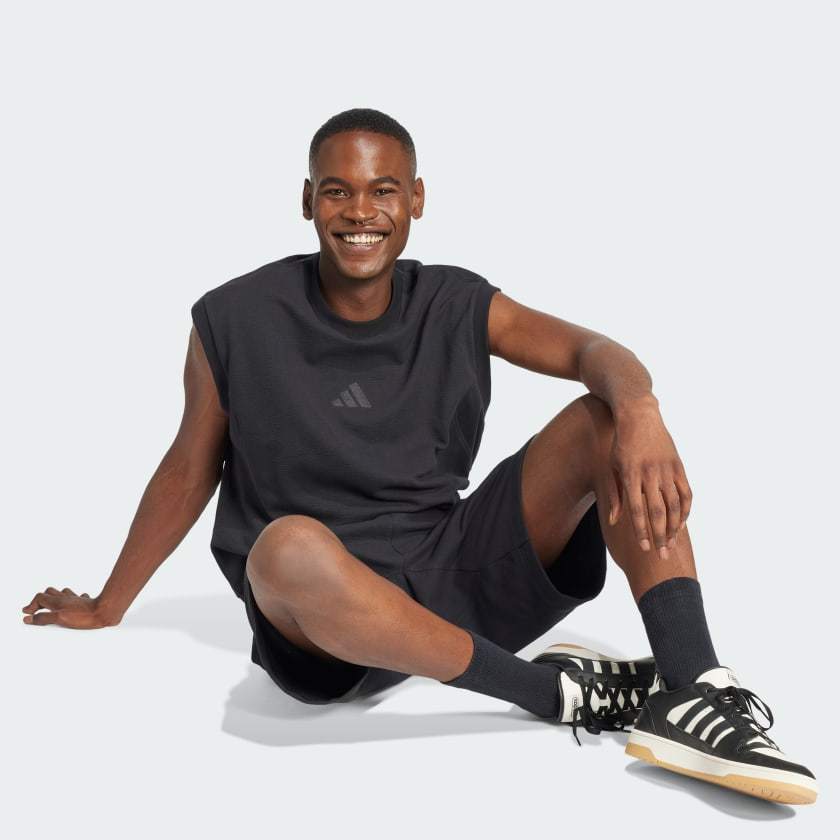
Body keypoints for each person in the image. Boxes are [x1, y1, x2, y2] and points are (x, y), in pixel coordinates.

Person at [22, 108, 816, 806]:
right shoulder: (233, 317)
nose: (360, 211)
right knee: (285, 547)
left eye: (383, 190)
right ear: (307, 201)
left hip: (449, 569)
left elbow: (590, 350)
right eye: (337, 191)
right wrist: (109, 603)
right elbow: (189, 467)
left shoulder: (455, 300)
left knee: (602, 419)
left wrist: (640, 410)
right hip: (326, 622)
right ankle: (552, 694)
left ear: (417, 200)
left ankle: (695, 689)